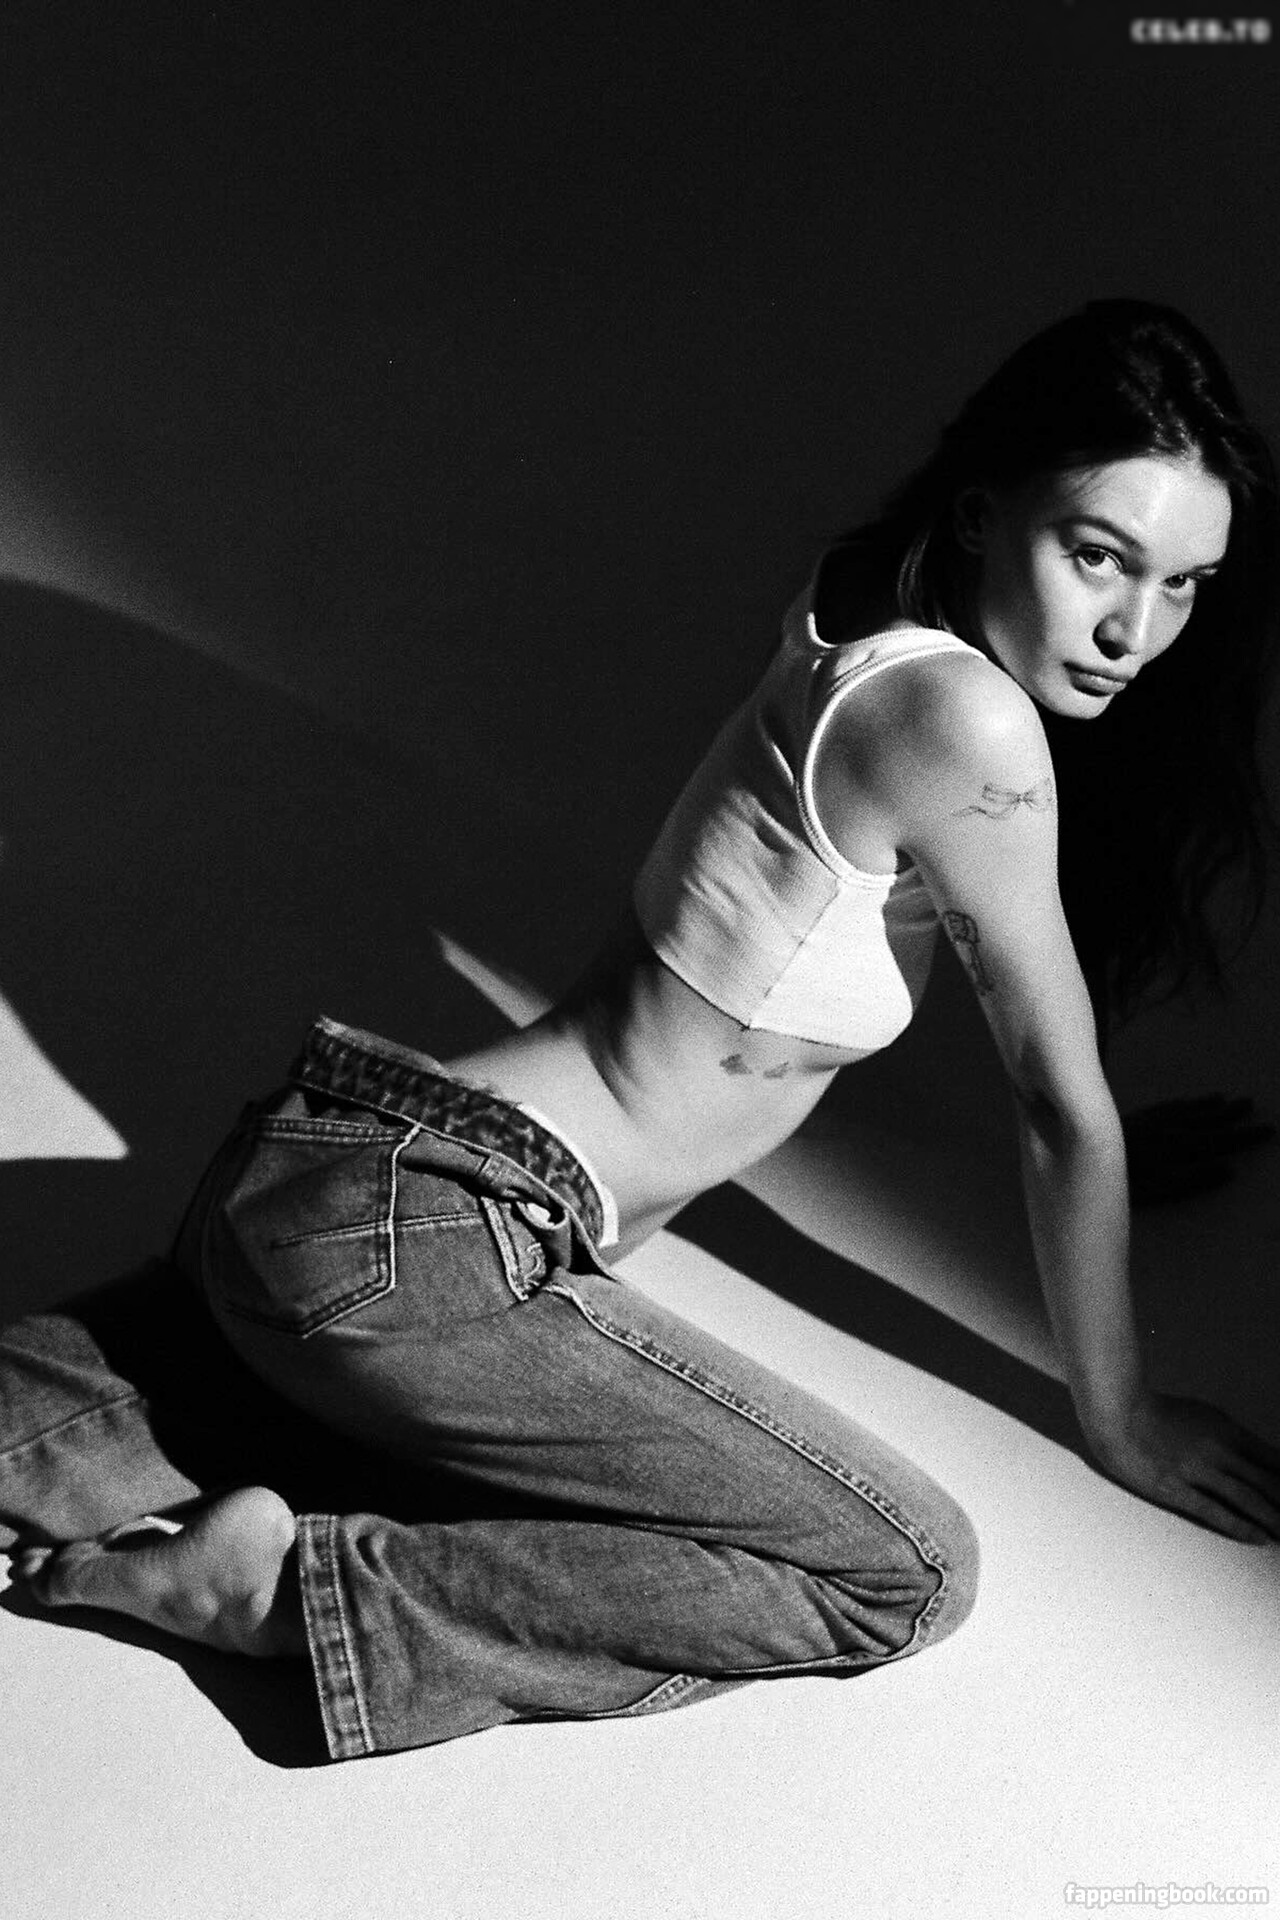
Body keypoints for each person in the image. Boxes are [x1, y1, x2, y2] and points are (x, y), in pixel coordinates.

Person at [4, 298, 1280, 1761]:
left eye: (1187, 585)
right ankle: (282, 1596)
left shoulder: (868, 603)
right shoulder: (968, 724)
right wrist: (1126, 1423)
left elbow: (776, 985)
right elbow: (1060, 1103)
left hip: (343, 1196)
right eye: (1099, 555)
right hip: (447, 1239)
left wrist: (1103, 1173)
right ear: (989, 512)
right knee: (903, 1572)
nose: (1135, 631)